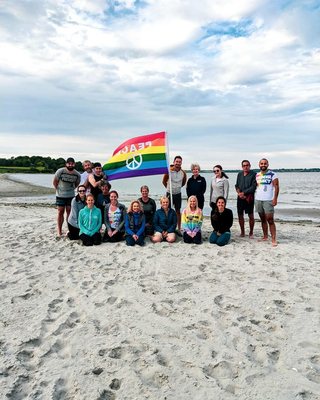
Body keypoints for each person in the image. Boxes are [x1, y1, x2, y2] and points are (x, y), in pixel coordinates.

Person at [53, 157, 81, 237]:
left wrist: (71, 190)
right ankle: (59, 231)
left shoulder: (77, 174)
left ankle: (69, 229)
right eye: (69, 163)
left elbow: (76, 184)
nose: (70, 165)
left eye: (72, 163)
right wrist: (58, 190)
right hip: (60, 195)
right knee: (60, 211)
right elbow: (55, 182)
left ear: (74, 164)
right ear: (66, 164)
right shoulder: (60, 171)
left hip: (71, 196)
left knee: (69, 212)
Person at [255, 158, 279, 246]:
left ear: (267, 165)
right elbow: (257, 187)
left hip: (268, 200)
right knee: (262, 219)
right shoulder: (257, 175)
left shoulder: (273, 174)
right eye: (261, 163)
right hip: (258, 199)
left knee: (270, 219)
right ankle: (265, 236)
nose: (263, 165)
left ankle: (273, 239)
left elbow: (276, 187)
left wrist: (275, 198)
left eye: (265, 163)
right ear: (259, 165)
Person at [162, 155, 187, 235]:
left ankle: (179, 228)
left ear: (181, 163)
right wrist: (169, 189)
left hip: (178, 194)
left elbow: (183, 183)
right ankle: (167, 228)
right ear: (174, 162)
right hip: (169, 193)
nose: (178, 163)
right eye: (176, 162)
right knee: (167, 211)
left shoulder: (183, 173)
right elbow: (164, 181)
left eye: (179, 162)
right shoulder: (168, 171)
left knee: (177, 211)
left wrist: (177, 188)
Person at [235, 160, 257, 238]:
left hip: (249, 198)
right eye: (244, 165)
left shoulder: (254, 174)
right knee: (240, 215)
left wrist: (243, 193)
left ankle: (251, 232)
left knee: (251, 215)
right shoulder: (239, 174)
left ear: (250, 166)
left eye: (247, 165)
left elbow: (253, 187)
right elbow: (236, 185)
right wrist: (239, 193)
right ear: (242, 166)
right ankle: (242, 232)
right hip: (240, 198)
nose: (245, 167)